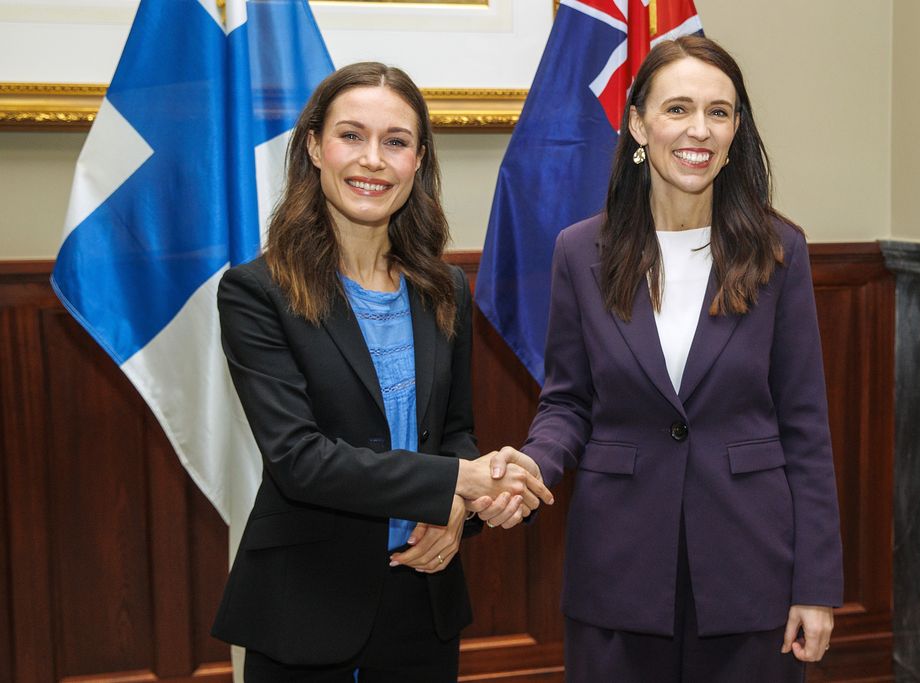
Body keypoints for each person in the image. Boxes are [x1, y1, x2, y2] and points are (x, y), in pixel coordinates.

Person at [483, 36, 843, 681]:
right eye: (677, 109)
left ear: (737, 130)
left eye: (719, 112)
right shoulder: (578, 251)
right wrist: (531, 465)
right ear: (638, 121)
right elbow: (568, 401)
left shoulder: (779, 250)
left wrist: (814, 584)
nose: (698, 130)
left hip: (750, 569)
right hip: (617, 567)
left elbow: (806, 429)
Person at [210, 62, 553, 682]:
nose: (373, 159)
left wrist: (456, 511)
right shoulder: (255, 292)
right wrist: (461, 481)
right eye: (351, 136)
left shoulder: (442, 287)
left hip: (424, 600)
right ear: (314, 146)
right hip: (307, 610)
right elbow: (300, 458)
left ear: (418, 160)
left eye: (395, 142)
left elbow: (455, 434)